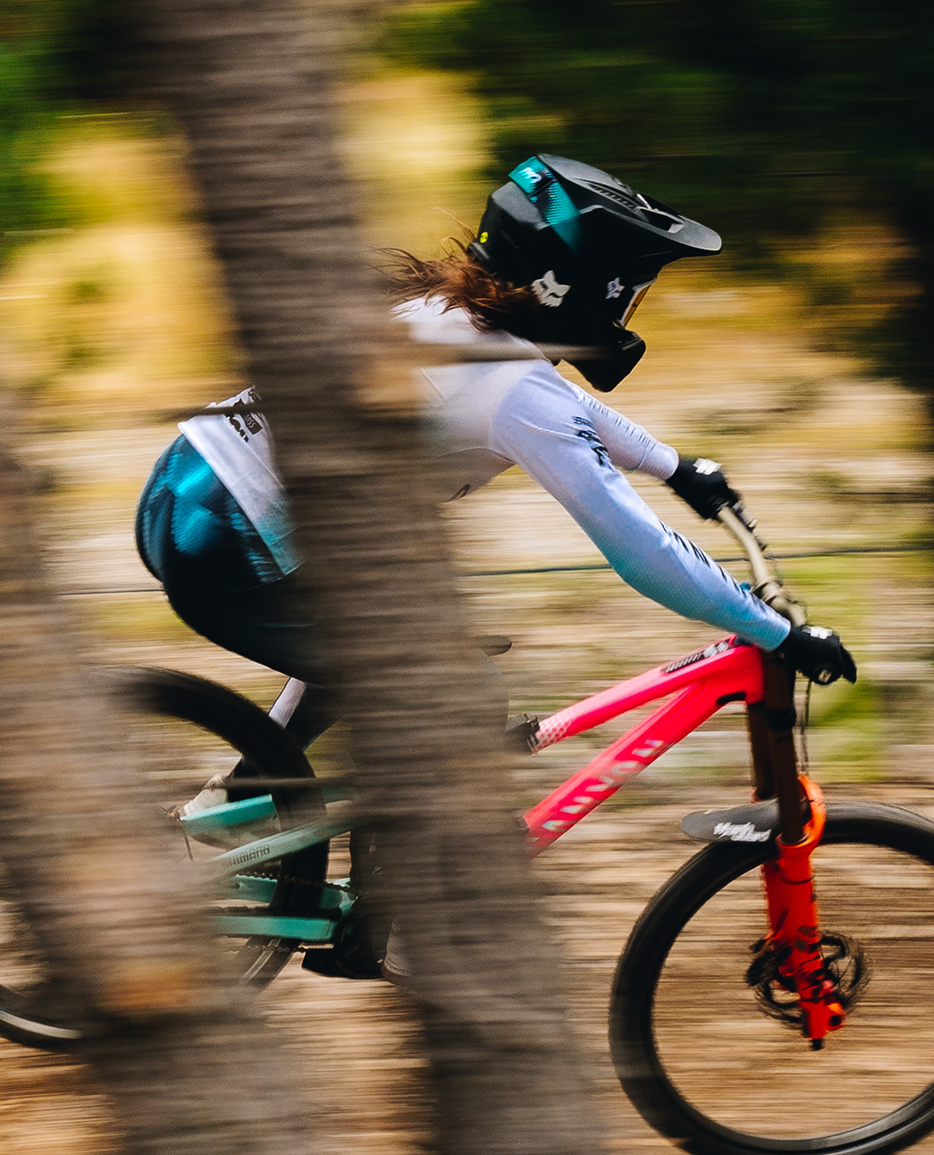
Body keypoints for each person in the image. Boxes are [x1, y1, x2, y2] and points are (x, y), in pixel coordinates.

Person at [132, 153, 859, 975]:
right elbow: (641, 551)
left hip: (186, 492)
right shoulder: (516, 390)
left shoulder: (455, 314)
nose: (632, 311)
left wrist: (673, 465)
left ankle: (239, 807)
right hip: (223, 540)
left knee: (409, 643)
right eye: (630, 291)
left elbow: (562, 402)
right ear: (580, 285)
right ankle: (374, 915)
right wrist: (774, 630)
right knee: (455, 686)